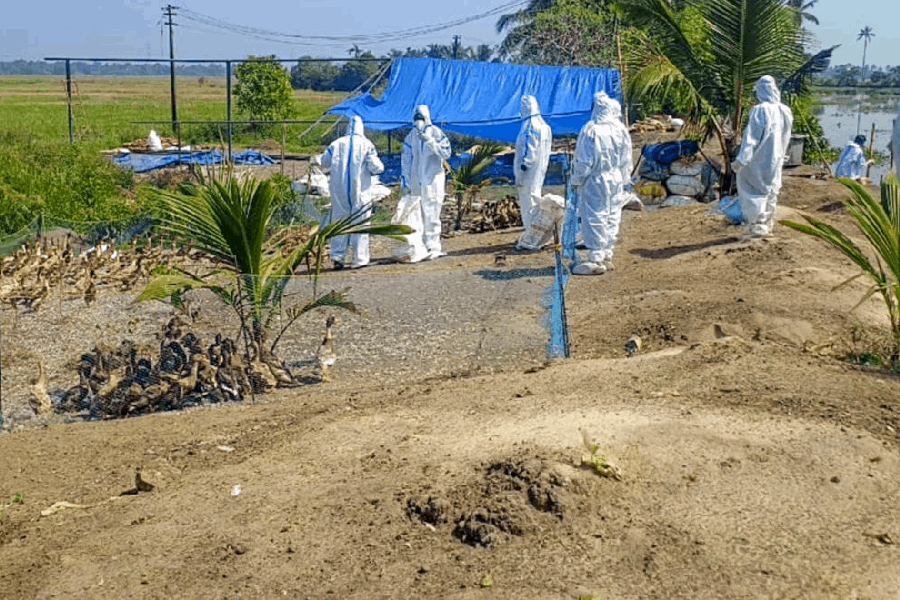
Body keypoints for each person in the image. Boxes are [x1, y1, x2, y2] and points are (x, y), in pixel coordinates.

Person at [569, 91, 633, 275]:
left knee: (594, 215)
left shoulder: (591, 129)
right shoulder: (620, 129)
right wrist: (624, 178)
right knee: (612, 214)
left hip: (596, 178)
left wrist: (576, 180)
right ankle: (607, 253)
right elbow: (626, 158)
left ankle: (596, 257)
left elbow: (584, 161)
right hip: (615, 178)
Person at [731, 75, 794, 239]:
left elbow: (751, 138)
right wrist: (783, 155)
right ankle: (766, 225)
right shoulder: (785, 110)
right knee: (771, 190)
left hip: (758, 159)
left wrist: (741, 160)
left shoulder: (761, 110)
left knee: (753, 191)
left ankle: (757, 227)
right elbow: (786, 137)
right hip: (776, 159)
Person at [319, 115, 384, 269]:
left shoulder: (336, 144)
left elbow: (324, 162)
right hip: (360, 191)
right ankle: (359, 259)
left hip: (339, 191)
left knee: (339, 222)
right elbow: (377, 168)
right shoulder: (366, 145)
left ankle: (337, 257)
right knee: (360, 223)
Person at [401, 104, 452, 260]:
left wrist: (430, 141)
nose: (418, 121)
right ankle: (421, 247)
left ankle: (433, 247)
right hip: (417, 182)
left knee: (432, 214)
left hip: (433, 180)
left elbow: (446, 152)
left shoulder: (436, 133)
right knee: (419, 215)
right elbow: (405, 160)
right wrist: (405, 181)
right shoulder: (411, 137)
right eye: (416, 118)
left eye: (420, 118)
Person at [514, 95, 552, 236]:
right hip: (539, 171)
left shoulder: (530, 126)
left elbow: (528, 152)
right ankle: (536, 233)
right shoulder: (544, 126)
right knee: (535, 199)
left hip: (528, 173)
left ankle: (531, 234)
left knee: (528, 201)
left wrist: (522, 171)